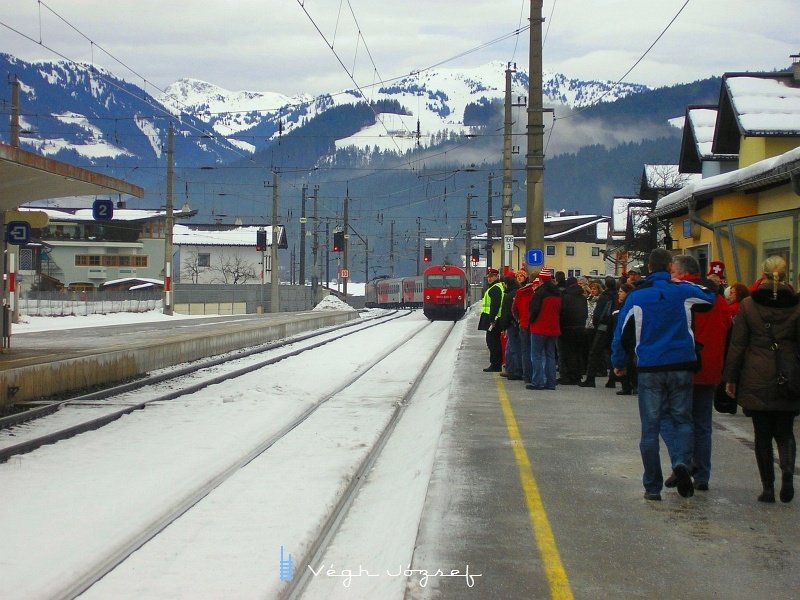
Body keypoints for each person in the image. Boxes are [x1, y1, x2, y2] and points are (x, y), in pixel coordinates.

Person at [611, 248, 717, 501]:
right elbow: (711, 297)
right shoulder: (682, 292)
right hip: (681, 364)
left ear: (648, 267)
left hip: (649, 367)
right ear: (670, 267)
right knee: (682, 419)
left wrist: (619, 362)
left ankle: (652, 486)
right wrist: (683, 282)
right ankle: (681, 461)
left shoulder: (636, 298)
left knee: (650, 427)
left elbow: (620, 333)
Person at [723, 256, 800, 503]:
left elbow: (737, 345)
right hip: (788, 374)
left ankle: (768, 487)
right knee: (785, 431)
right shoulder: (797, 305)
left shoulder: (748, 305)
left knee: (762, 434)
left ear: (763, 274)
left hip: (755, 373)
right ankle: (787, 472)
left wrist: (730, 378)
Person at [661, 254, 731, 492]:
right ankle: (702, 475)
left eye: (672, 271)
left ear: (680, 273)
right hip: (711, 368)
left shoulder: (679, 294)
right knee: (703, 424)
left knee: (677, 418)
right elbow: (727, 330)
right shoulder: (717, 298)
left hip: (684, 363)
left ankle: (683, 464)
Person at [526, 268, 562, 391]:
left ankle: (538, 382)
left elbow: (533, 310)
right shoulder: (557, 293)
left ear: (541, 280)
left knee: (536, 355)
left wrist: (530, 321)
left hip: (539, 328)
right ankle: (551, 382)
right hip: (553, 329)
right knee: (550, 356)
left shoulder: (539, 293)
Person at [579, 277, 617, 388]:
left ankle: (590, 379)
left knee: (594, 353)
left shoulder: (604, 297)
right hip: (614, 326)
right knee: (612, 352)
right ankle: (612, 380)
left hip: (602, 327)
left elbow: (597, 314)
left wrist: (596, 326)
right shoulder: (617, 295)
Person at [558, 276, 588, 384]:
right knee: (577, 352)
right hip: (580, 328)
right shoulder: (583, 297)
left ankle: (566, 376)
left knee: (566, 353)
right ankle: (577, 375)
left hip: (566, 328)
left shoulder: (564, 297)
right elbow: (585, 313)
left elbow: (561, 313)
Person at [513, 273, 539, 383]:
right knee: (538, 352)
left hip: (524, 324)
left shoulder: (521, 292)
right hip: (537, 325)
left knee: (525, 350)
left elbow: (514, 309)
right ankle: (537, 375)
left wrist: (519, 319)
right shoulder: (539, 292)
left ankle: (527, 376)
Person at [478, 268, 505, 372]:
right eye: (488, 276)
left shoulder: (495, 289)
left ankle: (495, 364)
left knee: (492, 342)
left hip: (494, 319)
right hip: (493, 318)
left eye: (492, 276)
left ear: (496, 277)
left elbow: (495, 304)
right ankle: (495, 363)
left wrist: (492, 319)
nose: (489, 278)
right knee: (493, 341)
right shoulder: (496, 287)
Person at [498, 274, 522, 380]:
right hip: (519, 324)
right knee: (514, 348)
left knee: (513, 348)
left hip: (512, 325)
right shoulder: (520, 292)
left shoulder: (509, 296)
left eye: (504, 284)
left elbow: (507, 313)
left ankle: (515, 370)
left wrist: (503, 326)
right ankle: (512, 368)